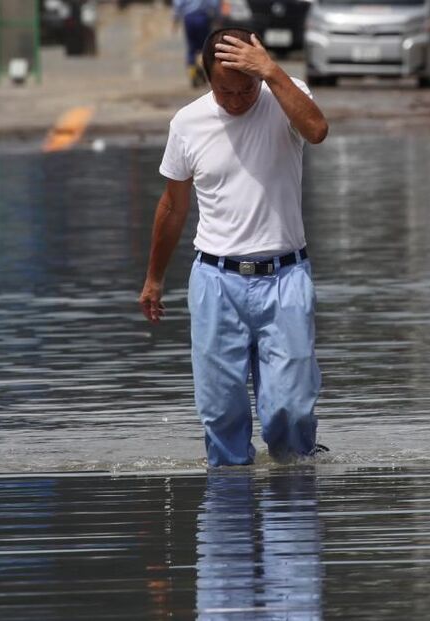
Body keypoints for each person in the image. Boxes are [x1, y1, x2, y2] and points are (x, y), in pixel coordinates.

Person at [138, 28, 330, 467]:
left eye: (248, 88)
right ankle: (228, 512)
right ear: (208, 80)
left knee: (291, 407)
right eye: (226, 91)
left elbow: (317, 130)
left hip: (285, 278)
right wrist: (154, 278)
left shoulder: (285, 94)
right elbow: (172, 205)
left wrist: (270, 71)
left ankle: (296, 494)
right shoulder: (188, 123)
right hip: (216, 281)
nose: (239, 99)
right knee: (222, 415)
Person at [172, 0, 220, 87]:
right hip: (203, 18)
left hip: (189, 19)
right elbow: (214, 4)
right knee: (204, 48)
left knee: (191, 49)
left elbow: (178, 4)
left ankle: (193, 75)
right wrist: (217, 18)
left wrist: (175, 20)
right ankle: (204, 73)